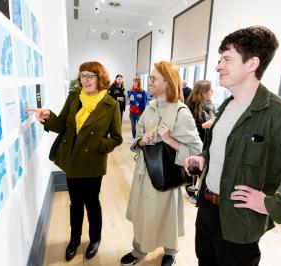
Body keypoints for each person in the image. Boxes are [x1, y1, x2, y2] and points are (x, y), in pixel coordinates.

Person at [184, 26, 281, 266]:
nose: (218, 66)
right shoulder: (226, 107)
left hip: (239, 222)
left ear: (251, 64)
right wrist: (204, 158)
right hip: (206, 209)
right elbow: (223, 147)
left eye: (226, 59)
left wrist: (271, 204)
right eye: (219, 59)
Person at [29, 61, 122, 262]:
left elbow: (116, 138)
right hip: (72, 162)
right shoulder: (74, 97)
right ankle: (74, 239)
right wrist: (47, 117)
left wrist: (98, 145)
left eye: (90, 76)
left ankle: (95, 239)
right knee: (75, 203)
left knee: (92, 203)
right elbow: (62, 124)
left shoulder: (111, 105)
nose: (85, 80)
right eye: (82, 75)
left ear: (100, 78)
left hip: (93, 164)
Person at [121, 61, 203, 266]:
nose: (149, 82)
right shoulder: (150, 107)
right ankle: (139, 249)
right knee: (142, 215)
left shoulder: (180, 112)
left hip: (166, 176)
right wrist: (141, 140)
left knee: (167, 218)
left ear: (167, 81)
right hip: (143, 172)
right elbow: (137, 135)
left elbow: (196, 151)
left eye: (153, 78)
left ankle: (170, 252)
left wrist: (169, 140)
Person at [184, 80, 216, 204]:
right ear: (203, 92)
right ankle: (190, 191)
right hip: (193, 142)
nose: (212, 92)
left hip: (204, 142)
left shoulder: (209, 105)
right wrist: (204, 126)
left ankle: (196, 190)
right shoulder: (189, 107)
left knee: (200, 167)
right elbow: (188, 129)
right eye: (210, 90)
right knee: (192, 167)